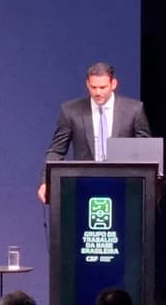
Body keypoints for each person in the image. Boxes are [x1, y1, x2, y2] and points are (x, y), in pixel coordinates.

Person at [37, 62, 151, 203]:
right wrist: (46, 181)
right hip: (84, 185)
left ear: (113, 84)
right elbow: (56, 151)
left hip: (124, 186)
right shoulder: (70, 111)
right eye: (93, 87)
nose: (98, 93)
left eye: (103, 87)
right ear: (87, 84)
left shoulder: (134, 110)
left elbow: (146, 151)